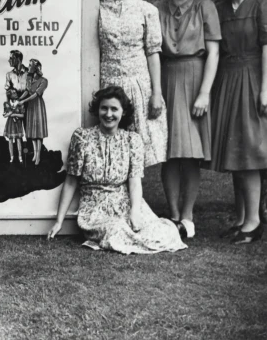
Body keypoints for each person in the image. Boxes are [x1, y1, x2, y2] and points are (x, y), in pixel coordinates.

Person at [47, 86, 187, 254]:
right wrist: (59, 221)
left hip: (125, 202)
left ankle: (168, 229)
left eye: (114, 109)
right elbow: (71, 182)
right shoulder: (82, 138)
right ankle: (131, 238)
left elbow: (135, 183)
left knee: (160, 231)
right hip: (95, 209)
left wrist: (135, 212)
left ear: (123, 112)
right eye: (104, 108)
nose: (108, 114)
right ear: (97, 109)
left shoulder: (132, 140)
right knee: (116, 230)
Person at [155, 0, 220, 239]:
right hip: (167, 78)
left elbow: (214, 53)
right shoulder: (156, 8)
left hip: (195, 78)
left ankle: (188, 215)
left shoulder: (205, 7)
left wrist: (204, 93)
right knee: (168, 153)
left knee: (191, 153)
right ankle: (171, 214)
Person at [209, 0, 267, 244]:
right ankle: (243, 218)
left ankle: (255, 222)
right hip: (227, 81)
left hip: (253, 78)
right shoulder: (219, 8)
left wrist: (265, 88)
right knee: (236, 153)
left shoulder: (260, 3)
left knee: (249, 153)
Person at [99, 0, 167, 167]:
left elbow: (153, 52)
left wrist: (156, 93)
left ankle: (137, 198)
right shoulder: (96, 9)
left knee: (137, 147)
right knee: (109, 145)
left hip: (138, 86)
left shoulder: (147, 10)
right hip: (107, 85)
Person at [16, 58, 49, 165]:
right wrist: (19, 99)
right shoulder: (29, 78)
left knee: (38, 133)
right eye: (29, 65)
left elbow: (35, 94)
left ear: (36, 67)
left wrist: (23, 101)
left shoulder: (44, 80)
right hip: (30, 106)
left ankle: (38, 156)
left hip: (38, 105)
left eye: (31, 65)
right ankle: (35, 155)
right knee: (32, 133)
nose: (29, 67)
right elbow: (27, 91)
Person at [4, 50, 28, 163]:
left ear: (18, 59)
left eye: (11, 58)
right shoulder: (9, 74)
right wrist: (10, 108)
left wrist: (21, 101)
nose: (9, 60)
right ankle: (15, 157)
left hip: (27, 103)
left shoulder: (28, 73)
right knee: (15, 134)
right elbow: (7, 93)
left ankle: (27, 157)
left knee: (28, 131)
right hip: (14, 103)